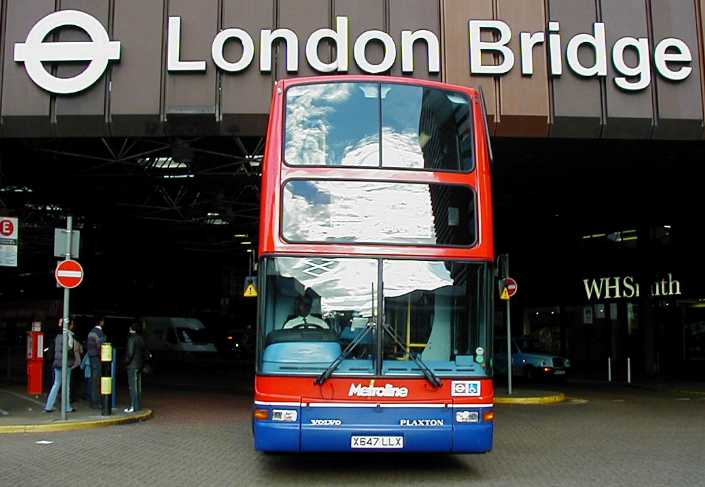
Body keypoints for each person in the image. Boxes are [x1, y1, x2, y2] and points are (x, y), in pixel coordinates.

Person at [43, 319, 80, 413]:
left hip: (57, 363)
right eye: (72, 324)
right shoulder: (68, 335)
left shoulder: (58, 336)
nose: (73, 325)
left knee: (56, 384)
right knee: (66, 386)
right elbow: (69, 348)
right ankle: (67, 407)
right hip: (66, 363)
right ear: (69, 325)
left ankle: (48, 406)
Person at [124, 322, 149, 413]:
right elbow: (144, 351)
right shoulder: (141, 338)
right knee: (138, 387)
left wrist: (125, 362)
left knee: (132, 387)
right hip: (140, 365)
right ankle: (137, 406)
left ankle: (133, 406)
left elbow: (130, 353)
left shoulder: (131, 339)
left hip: (132, 365)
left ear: (131, 328)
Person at [86, 317, 105, 409]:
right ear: (101, 322)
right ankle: (96, 402)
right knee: (96, 380)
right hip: (97, 357)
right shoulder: (99, 332)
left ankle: (92, 401)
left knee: (93, 379)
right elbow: (100, 345)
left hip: (91, 357)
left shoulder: (91, 332)